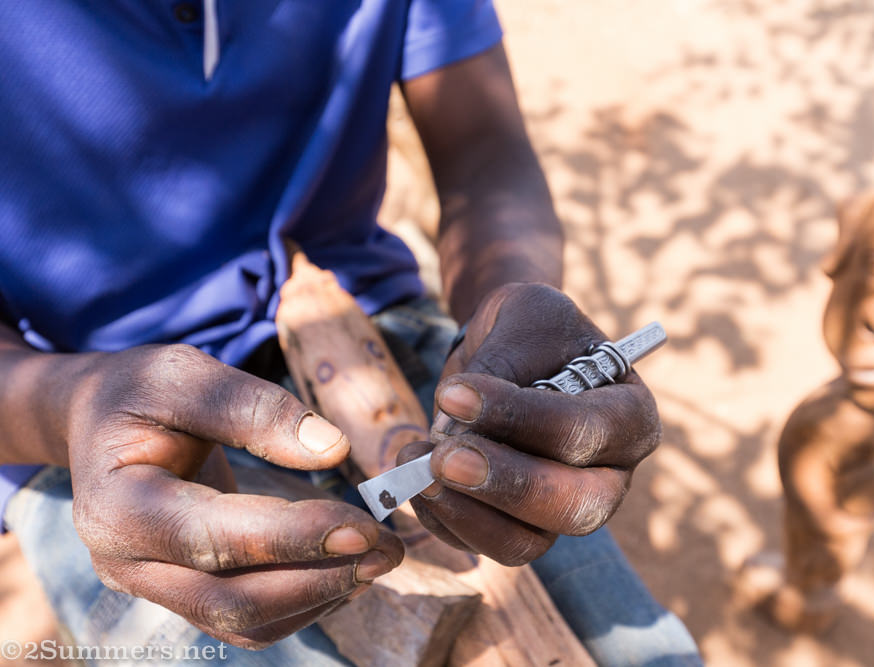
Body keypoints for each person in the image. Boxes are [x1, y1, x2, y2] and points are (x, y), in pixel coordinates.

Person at [0, 1, 702, 665]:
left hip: (387, 328)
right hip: (90, 440)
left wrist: (509, 318)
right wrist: (72, 404)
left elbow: (485, 155)